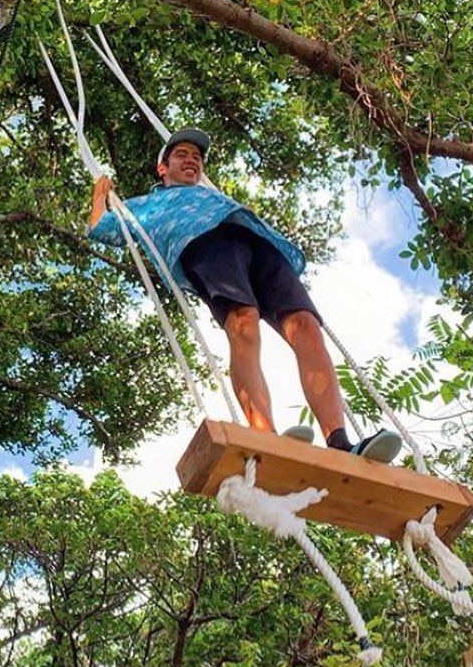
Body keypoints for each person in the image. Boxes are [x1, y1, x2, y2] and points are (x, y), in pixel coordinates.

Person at [88, 129, 401, 463]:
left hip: (255, 242)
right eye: (181, 154)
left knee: (306, 326)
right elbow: (100, 230)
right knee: (243, 323)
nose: (192, 159)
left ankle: (340, 441)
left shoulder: (212, 194)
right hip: (206, 246)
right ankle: (263, 433)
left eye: (197, 156)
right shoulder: (146, 206)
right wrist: (100, 196)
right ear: (162, 168)